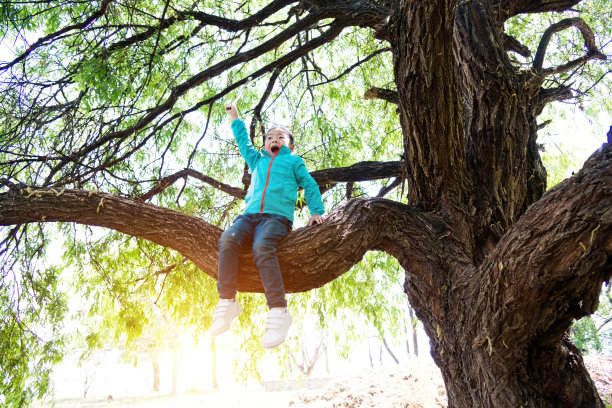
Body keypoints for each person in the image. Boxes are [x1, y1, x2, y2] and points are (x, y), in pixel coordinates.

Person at [210, 103, 325, 348]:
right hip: (248, 217)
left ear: (291, 147)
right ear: (264, 145)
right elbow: (243, 142)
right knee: (228, 240)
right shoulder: (257, 161)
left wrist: (316, 212)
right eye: (270, 137)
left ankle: (278, 311)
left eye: (280, 137)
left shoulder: (294, 163)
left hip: (276, 218)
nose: (274, 139)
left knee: (262, 247)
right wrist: (235, 118)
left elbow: (310, 185)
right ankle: (227, 301)